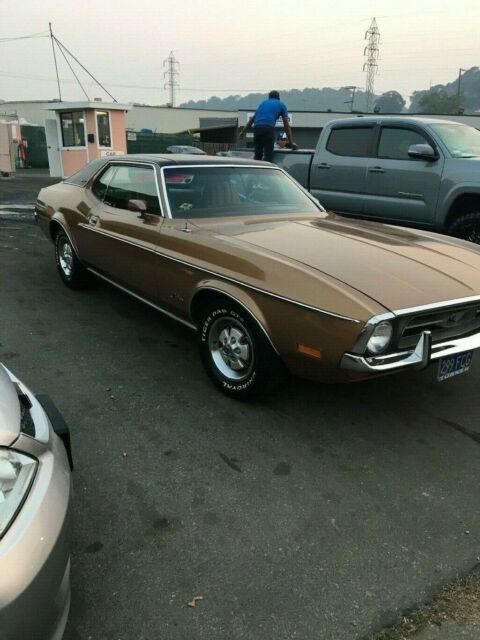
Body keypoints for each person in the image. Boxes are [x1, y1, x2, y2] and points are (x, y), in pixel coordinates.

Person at [238, 90, 295, 162]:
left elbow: (252, 120)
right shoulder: (281, 105)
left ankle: (257, 167)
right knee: (268, 155)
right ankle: (267, 166)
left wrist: (242, 132)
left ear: (269, 97)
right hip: (268, 128)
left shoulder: (263, 104)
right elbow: (286, 125)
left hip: (257, 129)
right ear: (279, 98)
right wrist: (291, 142)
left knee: (258, 155)